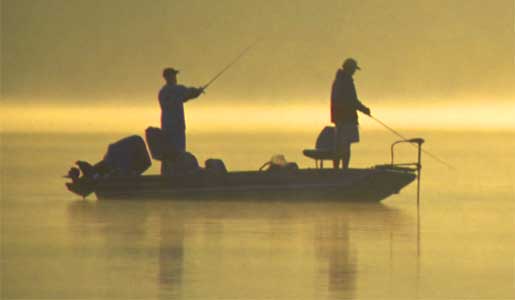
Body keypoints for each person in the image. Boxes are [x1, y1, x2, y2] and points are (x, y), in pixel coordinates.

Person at [158, 67, 204, 174]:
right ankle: (178, 174)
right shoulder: (176, 90)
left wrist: (195, 92)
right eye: (173, 75)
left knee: (168, 152)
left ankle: (166, 174)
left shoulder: (162, 92)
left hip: (166, 126)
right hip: (177, 126)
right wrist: (199, 91)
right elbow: (190, 93)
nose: (175, 78)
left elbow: (185, 95)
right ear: (168, 77)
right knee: (179, 151)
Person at [330, 58, 371, 169]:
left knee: (340, 146)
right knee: (345, 146)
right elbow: (352, 100)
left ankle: (337, 169)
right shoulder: (346, 81)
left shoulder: (339, 80)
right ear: (350, 69)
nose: (354, 72)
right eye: (353, 69)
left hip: (340, 118)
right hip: (347, 119)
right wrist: (364, 109)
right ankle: (344, 169)